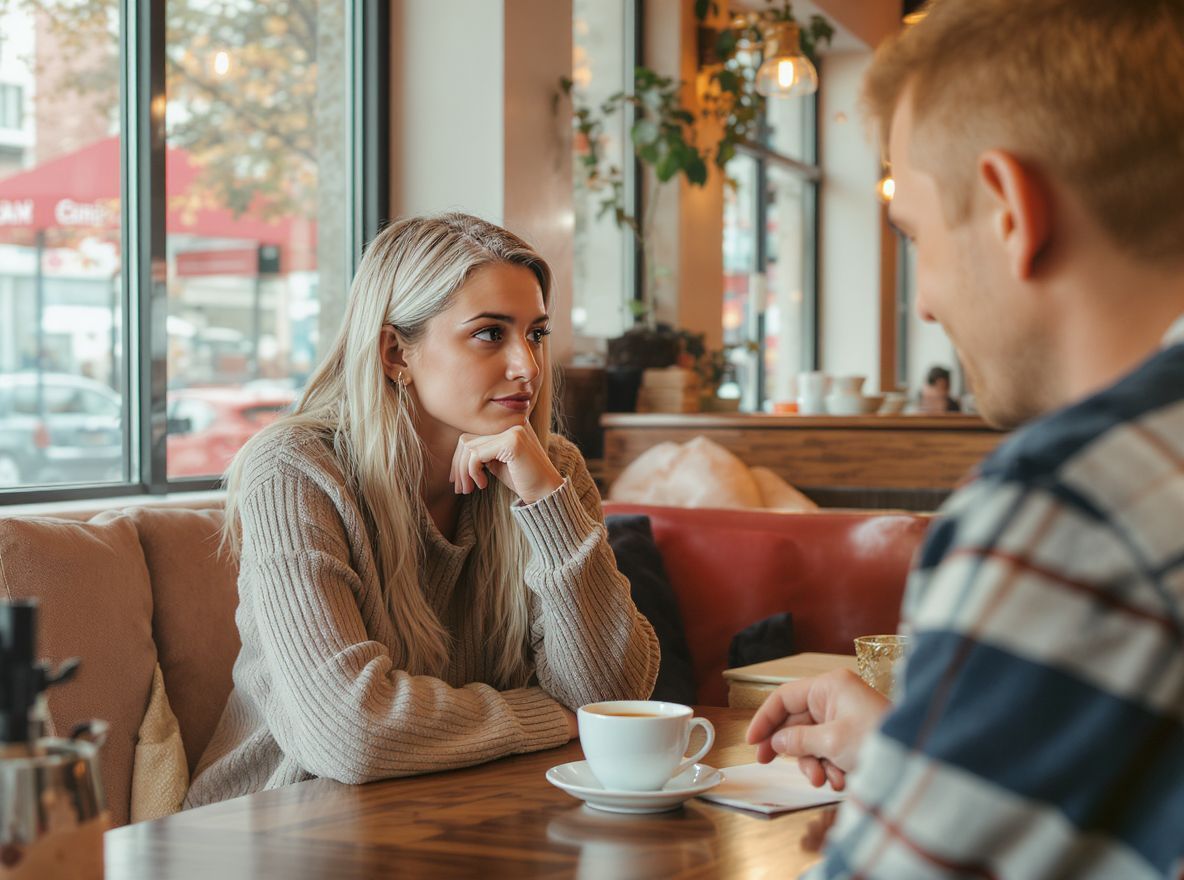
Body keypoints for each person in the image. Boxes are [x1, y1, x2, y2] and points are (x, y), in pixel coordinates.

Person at [747, 1, 1184, 877]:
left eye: (914, 235)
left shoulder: (1068, 500)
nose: (926, 303)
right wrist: (918, 755)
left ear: (1011, 208)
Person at [185, 213, 660, 808]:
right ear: (394, 353)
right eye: (490, 333)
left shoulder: (549, 470)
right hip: (275, 830)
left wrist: (549, 504)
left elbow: (614, 701)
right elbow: (349, 733)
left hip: (461, 818)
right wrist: (546, 716)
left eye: (536, 333)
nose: (528, 366)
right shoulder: (294, 470)